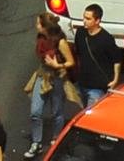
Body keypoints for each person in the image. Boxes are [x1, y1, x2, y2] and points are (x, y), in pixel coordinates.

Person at [22, 13, 74, 155]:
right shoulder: (40, 38)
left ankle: (56, 138)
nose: (36, 26)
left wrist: (57, 65)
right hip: (42, 75)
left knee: (57, 112)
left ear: (45, 26)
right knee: (35, 112)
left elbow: (71, 62)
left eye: (38, 23)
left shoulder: (60, 42)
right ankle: (36, 142)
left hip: (57, 78)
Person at [68, 6, 124, 106]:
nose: (84, 21)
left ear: (97, 20)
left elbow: (117, 60)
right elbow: (79, 53)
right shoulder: (80, 33)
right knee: (84, 113)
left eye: (88, 19)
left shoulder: (106, 39)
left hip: (98, 87)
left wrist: (115, 80)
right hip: (82, 83)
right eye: (84, 18)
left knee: (91, 117)